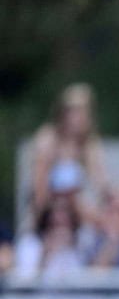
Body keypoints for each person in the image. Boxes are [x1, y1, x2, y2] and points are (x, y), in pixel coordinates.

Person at [29, 83, 109, 216]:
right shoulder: (48, 138)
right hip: (50, 212)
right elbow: (39, 186)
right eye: (75, 112)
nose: (79, 117)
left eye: (83, 112)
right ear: (63, 114)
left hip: (76, 213)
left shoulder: (89, 143)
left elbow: (100, 181)